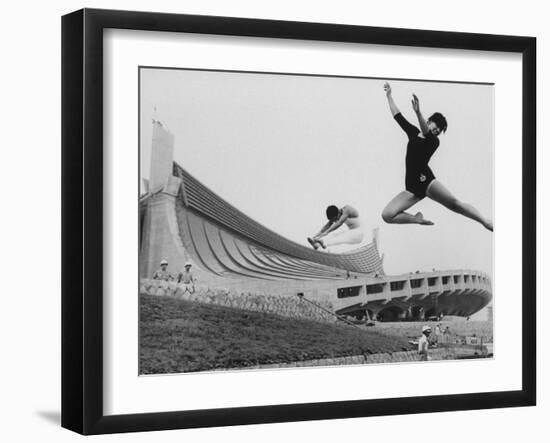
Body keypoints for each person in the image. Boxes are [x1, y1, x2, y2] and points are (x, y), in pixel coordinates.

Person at [381, 82, 493, 231]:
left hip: (426, 182)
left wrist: (418, 112)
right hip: (412, 188)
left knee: (454, 204)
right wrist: (389, 95)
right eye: (436, 125)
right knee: (387, 215)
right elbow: (397, 116)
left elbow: (426, 131)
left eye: (439, 130)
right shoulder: (413, 133)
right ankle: (416, 219)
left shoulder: (433, 141)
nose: (437, 130)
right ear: (429, 121)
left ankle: (485, 221)